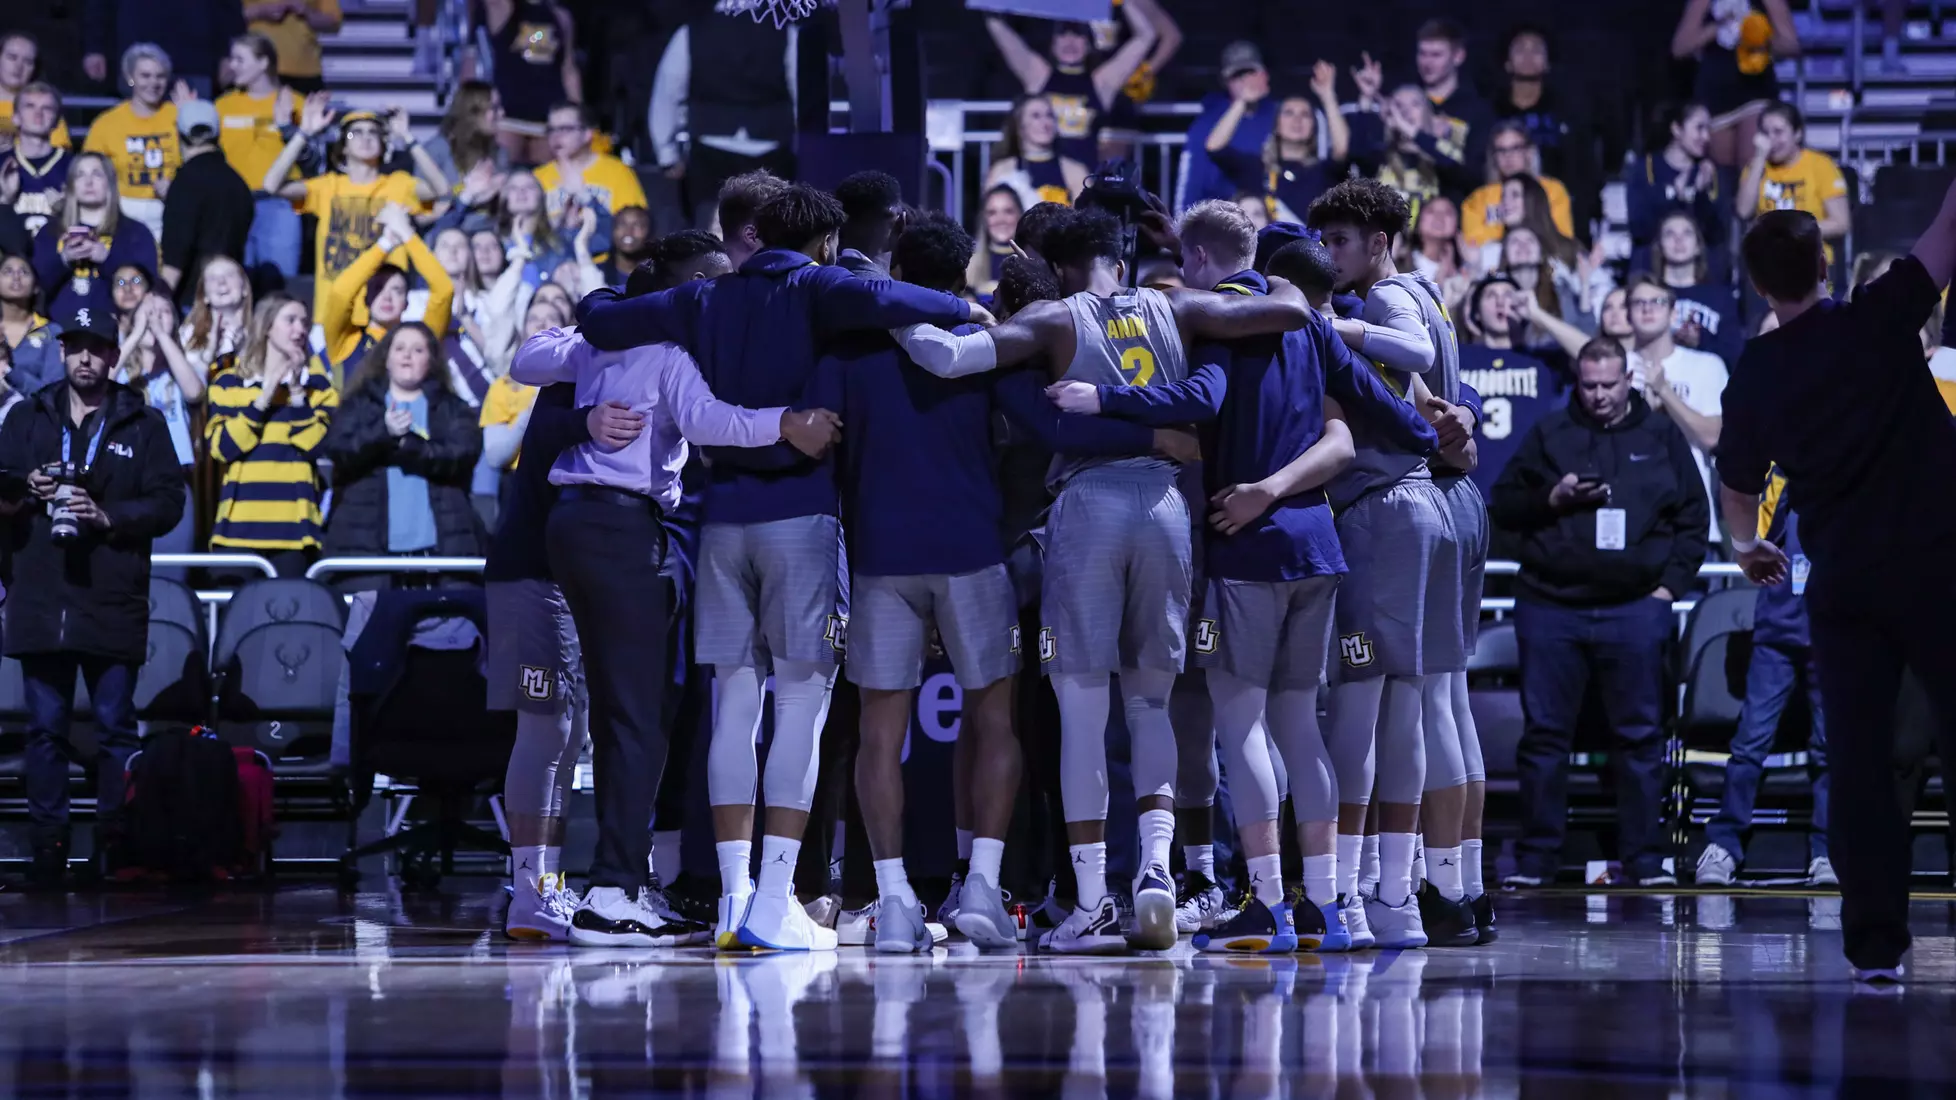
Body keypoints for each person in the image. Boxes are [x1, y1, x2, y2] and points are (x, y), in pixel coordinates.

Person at [891, 205, 1316, 954]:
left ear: (1058, 268)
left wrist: (898, 308)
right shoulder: (1179, 304)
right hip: (1165, 506)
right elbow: (1288, 308)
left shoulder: (1055, 317)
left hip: (1088, 507)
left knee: (1084, 710)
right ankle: (1156, 868)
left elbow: (947, 360)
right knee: (1151, 701)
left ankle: (1091, 901)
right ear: (1123, 255)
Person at [574, 183, 979, 953]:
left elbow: (606, 318)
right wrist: (967, 310)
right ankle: (774, 899)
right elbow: (894, 298)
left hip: (722, 521)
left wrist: (595, 296)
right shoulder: (820, 282)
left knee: (733, 705)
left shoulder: (706, 298)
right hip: (801, 521)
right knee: (802, 705)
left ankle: (729, 901)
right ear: (824, 242)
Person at [1065, 207, 1447, 954]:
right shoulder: (1308, 325)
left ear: (1202, 260)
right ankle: (1334, 911)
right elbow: (1375, 403)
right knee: (1302, 730)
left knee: (1241, 728)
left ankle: (1269, 906)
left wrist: (1103, 399)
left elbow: (1201, 401)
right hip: (1319, 548)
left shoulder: (1218, 323)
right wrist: (1435, 436)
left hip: (1247, 547)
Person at [510, 268, 846, 949]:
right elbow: (710, 422)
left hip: (572, 525)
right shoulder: (669, 350)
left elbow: (526, 358)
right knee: (637, 716)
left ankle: (621, 882)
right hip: (620, 529)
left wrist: (594, 319)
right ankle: (613, 893)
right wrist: (787, 421)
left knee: (618, 712)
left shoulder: (598, 345)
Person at [1715, 184, 1956, 984]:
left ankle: (1875, 947)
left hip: (1844, 582)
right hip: (1936, 566)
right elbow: (1947, 225)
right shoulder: (1881, 317)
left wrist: (1746, 546)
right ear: (1826, 264)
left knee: (1856, 762)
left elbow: (1739, 485)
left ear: (1756, 285)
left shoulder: (1755, 372)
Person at [1308, 176, 1473, 949]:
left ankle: (1348, 891)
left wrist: (1340, 329)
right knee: (1422, 708)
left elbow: (1404, 348)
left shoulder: (1384, 301)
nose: (1327, 255)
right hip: (1434, 505)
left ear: (1378, 244)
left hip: (1389, 509)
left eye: (1339, 241)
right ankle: (1413, 892)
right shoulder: (1430, 290)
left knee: (1365, 706)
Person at [1489, 338, 1708, 887]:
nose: (1599, 395)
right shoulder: (1550, 431)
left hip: (1635, 609)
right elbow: (1505, 506)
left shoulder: (1660, 435)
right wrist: (1552, 499)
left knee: (1639, 737)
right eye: (1589, 385)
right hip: (1551, 607)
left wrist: (1667, 592)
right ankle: (1537, 858)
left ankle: (1644, 858)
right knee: (1544, 738)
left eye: (1609, 384)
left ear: (1628, 379)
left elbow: (1693, 518)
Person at [0, 300, 186, 887]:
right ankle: (48, 851)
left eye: (97, 347)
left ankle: (115, 846)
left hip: (110, 595)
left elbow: (169, 502)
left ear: (113, 353)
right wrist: (25, 486)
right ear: (61, 351)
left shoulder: (143, 421)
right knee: (45, 731)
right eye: (75, 346)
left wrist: (107, 514)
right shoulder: (26, 418)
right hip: (41, 593)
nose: (86, 357)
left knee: (114, 729)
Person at [1697, 465, 1832, 888]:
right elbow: (1748, 535)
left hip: (1834, 637)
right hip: (1776, 635)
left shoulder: (1853, 486)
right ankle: (1724, 845)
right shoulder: (1778, 480)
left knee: (1830, 750)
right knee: (1749, 744)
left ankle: (1829, 851)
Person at [320, 321, 483, 578]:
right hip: (367, 553)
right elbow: (339, 448)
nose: (408, 355)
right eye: (400, 348)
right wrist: (383, 433)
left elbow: (463, 453)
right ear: (386, 358)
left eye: (418, 350)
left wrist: (408, 444)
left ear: (431, 360)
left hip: (439, 553)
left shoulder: (452, 408)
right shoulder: (359, 404)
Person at [261, 97, 449, 320]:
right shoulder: (328, 186)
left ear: (383, 144)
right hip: (333, 315)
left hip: (383, 313)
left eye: (373, 132)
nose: (365, 138)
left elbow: (441, 188)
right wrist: (303, 134)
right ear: (344, 147)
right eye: (355, 133)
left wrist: (408, 138)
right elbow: (271, 185)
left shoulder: (399, 184)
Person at [205, 292, 334, 576]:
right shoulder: (228, 381)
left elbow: (314, 446)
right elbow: (222, 448)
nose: (300, 329)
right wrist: (263, 399)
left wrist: (298, 392)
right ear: (266, 326)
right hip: (237, 529)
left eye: (304, 322)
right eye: (290, 320)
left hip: (295, 532)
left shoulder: (318, 387)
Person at [649, 11, 795, 231]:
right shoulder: (785, 31)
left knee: (709, 234)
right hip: (767, 145)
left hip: (712, 151)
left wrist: (667, 153)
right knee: (771, 232)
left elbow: (667, 92)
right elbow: (802, 89)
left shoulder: (693, 31)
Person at [983, 6, 1160, 168]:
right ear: (1053, 43)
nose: (1070, 42)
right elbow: (996, 24)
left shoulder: (1102, 82)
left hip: (1082, 187)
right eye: (1062, 34)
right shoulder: (1038, 75)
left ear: (1089, 44)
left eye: (1078, 34)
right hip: (1039, 186)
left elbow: (1146, 35)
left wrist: (1122, 2)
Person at [1623, 274, 1727, 542]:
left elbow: (1713, 437)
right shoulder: (1614, 368)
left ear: (1672, 314)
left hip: (1692, 525)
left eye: (1657, 301)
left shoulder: (1706, 365)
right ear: (1628, 315)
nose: (1647, 308)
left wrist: (1665, 392)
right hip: (1631, 526)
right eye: (1638, 303)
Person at [318, 203, 453, 387]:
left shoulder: (421, 339)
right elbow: (340, 293)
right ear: (365, 299)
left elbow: (444, 290)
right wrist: (385, 243)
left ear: (406, 302)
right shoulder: (347, 340)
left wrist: (407, 234)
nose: (387, 297)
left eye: (397, 290)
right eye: (378, 288)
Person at [113, 287, 202, 555]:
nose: (155, 317)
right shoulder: (121, 372)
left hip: (171, 480)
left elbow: (194, 391)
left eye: (164, 312)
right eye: (149, 312)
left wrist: (162, 335)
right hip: (126, 479)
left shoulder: (183, 366)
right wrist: (136, 333)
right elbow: (98, 381)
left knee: (171, 569)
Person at [1207, 64, 1350, 226]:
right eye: (1289, 113)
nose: (1297, 120)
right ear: (1276, 125)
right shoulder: (1257, 169)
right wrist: (1242, 102)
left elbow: (1342, 149)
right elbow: (1214, 147)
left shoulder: (1322, 172)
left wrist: (1328, 96)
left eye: (1305, 115)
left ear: (1314, 127)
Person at [1457, 274, 1556, 496]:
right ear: (1475, 313)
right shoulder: (1457, 357)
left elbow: (1595, 357)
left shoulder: (1542, 359)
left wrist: (1539, 315)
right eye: (1491, 296)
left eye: (1509, 296)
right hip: (1468, 489)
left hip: (1529, 494)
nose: (1501, 302)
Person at [32, 152, 160, 322]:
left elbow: (148, 287)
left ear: (110, 183)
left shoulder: (135, 233)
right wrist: (63, 260)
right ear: (71, 185)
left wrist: (107, 258)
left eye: (97, 174)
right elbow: (34, 287)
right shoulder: (50, 232)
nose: (88, 182)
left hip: (116, 334)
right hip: (59, 334)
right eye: (80, 175)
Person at [215, 33, 302, 283]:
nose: (232, 65)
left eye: (240, 59)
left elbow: (312, 160)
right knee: (235, 285)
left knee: (279, 286)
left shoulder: (294, 102)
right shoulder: (222, 106)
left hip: (279, 205)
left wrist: (289, 127)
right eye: (232, 59)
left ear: (264, 63)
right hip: (233, 207)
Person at [1672, 0, 1799, 167]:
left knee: (1750, 165)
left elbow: (1792, 45)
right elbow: (1680, 48)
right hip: (1715, 91)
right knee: (1721, 173)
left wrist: (1760, 36)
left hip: (1755, 89)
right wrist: (1716, 28)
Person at [81, 44, 186, 243]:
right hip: (122, 214)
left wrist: (190, 117)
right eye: (145, 76)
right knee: (128, 275)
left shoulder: (179, 115)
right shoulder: (107, 123)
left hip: (172, 212)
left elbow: (199, 165)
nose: (153, 83)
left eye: (160, 76)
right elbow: (90, 170)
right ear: (130, 77)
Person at [465, 0, 580, 164]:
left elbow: (568, 70)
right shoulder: (502, 7)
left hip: (548, 120)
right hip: (508, 119)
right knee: (502, 180)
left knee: (545, 184)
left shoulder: (561, 17)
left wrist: (578, 117)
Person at [158, 100, 251, 297]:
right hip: (230, 294)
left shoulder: (185, 183)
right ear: (217, 135)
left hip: (193, 299)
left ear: (180, 135)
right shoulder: (238, 182)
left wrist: (159, 301)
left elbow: (175, 258)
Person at [1738, 103, 1849, 264]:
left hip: (1812, 260)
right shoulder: (1756, 167)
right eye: (1766, 133)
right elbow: (1743, 211)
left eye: (1778, 132)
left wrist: (1793, 231)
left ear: (1797, 134)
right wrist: (1759, 159)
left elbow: (1841, 223)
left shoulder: (1821, 165)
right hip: (1768, 263)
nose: (1771, 140)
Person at [1626, 102, 1726, 277]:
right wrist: (1673, 197)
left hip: (1698, 272)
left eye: (1708, 129)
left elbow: (1716, 234)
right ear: (1677, 129)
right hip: (1652, 269)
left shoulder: (1709, 172)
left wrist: (1701, 196)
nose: (1706, 137)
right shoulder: (1646, 168)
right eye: (1699, 128)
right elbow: (1640, 228)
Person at [1459, 125, 1575, 251]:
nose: (1508, 156)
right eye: (1501, 150)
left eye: (1515, 148)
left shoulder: (1552, 190)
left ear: (1529, 152)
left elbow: (1562, 237)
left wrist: (1500, 229)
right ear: (1494, 157)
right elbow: (1472, 246)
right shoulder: (1479, 198)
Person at [1652, 210, 1742, 367]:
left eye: (1687, 233)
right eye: (1669, 234)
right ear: (1660, 246)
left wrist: (1701, 342)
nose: (1678, 240)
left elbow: (1735, 354)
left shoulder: (1721, 298)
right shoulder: (1648, 295)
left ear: (1698, 246)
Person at [1412, 18, 1494, 192]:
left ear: (1458, 56)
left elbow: (1475, 174)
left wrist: (1433, 141)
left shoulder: (1477, 111)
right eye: (1422, 53)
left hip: (1451, 211)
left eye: (1436, 55)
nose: (1427, 63)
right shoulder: (1407, 102)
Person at [534, 101, 647, 221]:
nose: (556, 136)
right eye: (551, 130)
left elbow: (635, 224)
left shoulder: (617, 172)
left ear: (587, 134)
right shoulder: (538, 177)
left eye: (565, 129)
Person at [985, 97, 1090, 209]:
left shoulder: (1075, 171)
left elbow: (1085, 218)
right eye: (1036, 116)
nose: (1045, 123)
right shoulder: (1002, 170)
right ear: (1020, 126)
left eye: (1049, 115)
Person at [1, 81, 71, 237]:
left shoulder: (74, 167)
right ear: (15, 118)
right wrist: (5, 200)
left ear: (57, 121)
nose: (38, 113)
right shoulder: (2, 164)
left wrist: (69, 211)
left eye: (47, 108)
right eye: (29, 106)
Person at [423, 81, 508, 202]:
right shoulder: (437, 150)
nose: (502, 113)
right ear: (473, 112)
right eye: (494, 108)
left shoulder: (499, 152)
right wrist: (466, 193)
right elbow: (423, 211)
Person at [243, 0, 342, 95]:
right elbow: (230, 16)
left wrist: (306, 12)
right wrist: (260, 11)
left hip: (304, 71)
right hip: (255, 72)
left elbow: (333, 23)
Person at [177, 254, 251, 377]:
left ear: (245, 288)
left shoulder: (262, 332)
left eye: (229, 275)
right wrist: (211, 349)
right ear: (204, 295)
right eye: (212, 278)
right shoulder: (188, 334)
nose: (221, 282)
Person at [0, 34, 73, 149]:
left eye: (28, 62)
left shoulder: (46, 109)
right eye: (12, 57)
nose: (19, 66)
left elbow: (58, 160)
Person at [965, 185, 1021, 298]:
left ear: (1020, 214)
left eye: (1008, 211)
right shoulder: (970, 263)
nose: (1001, 219)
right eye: (992, 213)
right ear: (984, 219)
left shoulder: (1034, 261)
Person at [602, 205, 652, 287]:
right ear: (613, 230)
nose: (628, 232)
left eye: (637, 225)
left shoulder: (661, 279)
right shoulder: (596, 275)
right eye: (622, 224)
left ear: (648, 232)